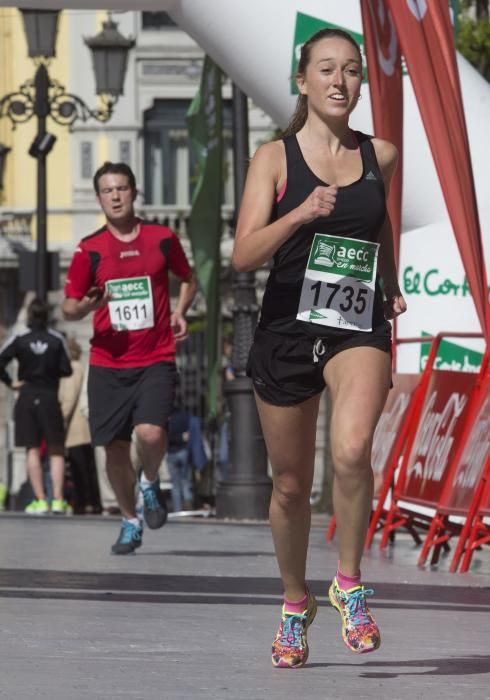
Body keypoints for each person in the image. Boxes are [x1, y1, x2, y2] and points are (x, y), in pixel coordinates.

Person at [232, 28, 407, 668]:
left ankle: (351, 583)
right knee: (289, 484)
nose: (341, 81)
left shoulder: (379, 154)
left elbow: (379, 220)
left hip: (354, 323)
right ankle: (294, 600)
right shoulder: (273, 158)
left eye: (353, 71)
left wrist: (389, 281)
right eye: (327, 70)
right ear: (302, 82)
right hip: (285, 329)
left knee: (353, 447)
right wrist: (301, 213)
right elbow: (243, 253)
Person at [62, 161, 197, 554]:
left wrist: (180, 311)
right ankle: (129, 520)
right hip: (107, 361)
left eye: (122, 188)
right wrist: (87, 306)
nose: (116, 196)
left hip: (155, 354)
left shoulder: (162, 238)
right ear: (100, 197)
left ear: (135, 193)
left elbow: (188, 278)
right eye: (108, 190)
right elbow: (68, 307)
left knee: (151, 432)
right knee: (114, 449)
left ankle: (151, 481)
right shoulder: (90, 249)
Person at [0, 298, 73, 514]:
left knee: (32, 448)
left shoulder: (20, 338)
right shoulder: (56, 339)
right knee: (56, 449)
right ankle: (58, 500)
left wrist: (11, 382)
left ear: (30, 315)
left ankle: (40, 500)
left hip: (27, 395)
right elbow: (67, 369)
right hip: (49, 395)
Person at [58, 337, 101, 514]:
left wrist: (60, 420)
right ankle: (90, 501)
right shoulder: (79, 366)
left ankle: (85, 502)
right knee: (87, 467)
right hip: (82, 428)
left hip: (77, 429)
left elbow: (69, 397)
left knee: (80, 468)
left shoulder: (73, 368)